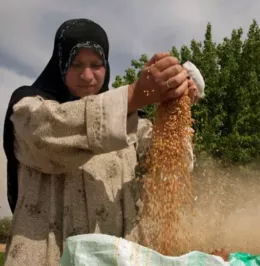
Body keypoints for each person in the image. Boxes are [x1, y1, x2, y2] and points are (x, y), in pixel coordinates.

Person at [2, 18, 204, 266]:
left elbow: (172, 165)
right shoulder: (28, 109)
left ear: (106, 66)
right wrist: (135, 95)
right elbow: (49, 134)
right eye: (76, 64)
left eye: (96, 64)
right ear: (60, 64)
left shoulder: (133, 124)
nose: (87, 76)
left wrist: (175, 105)